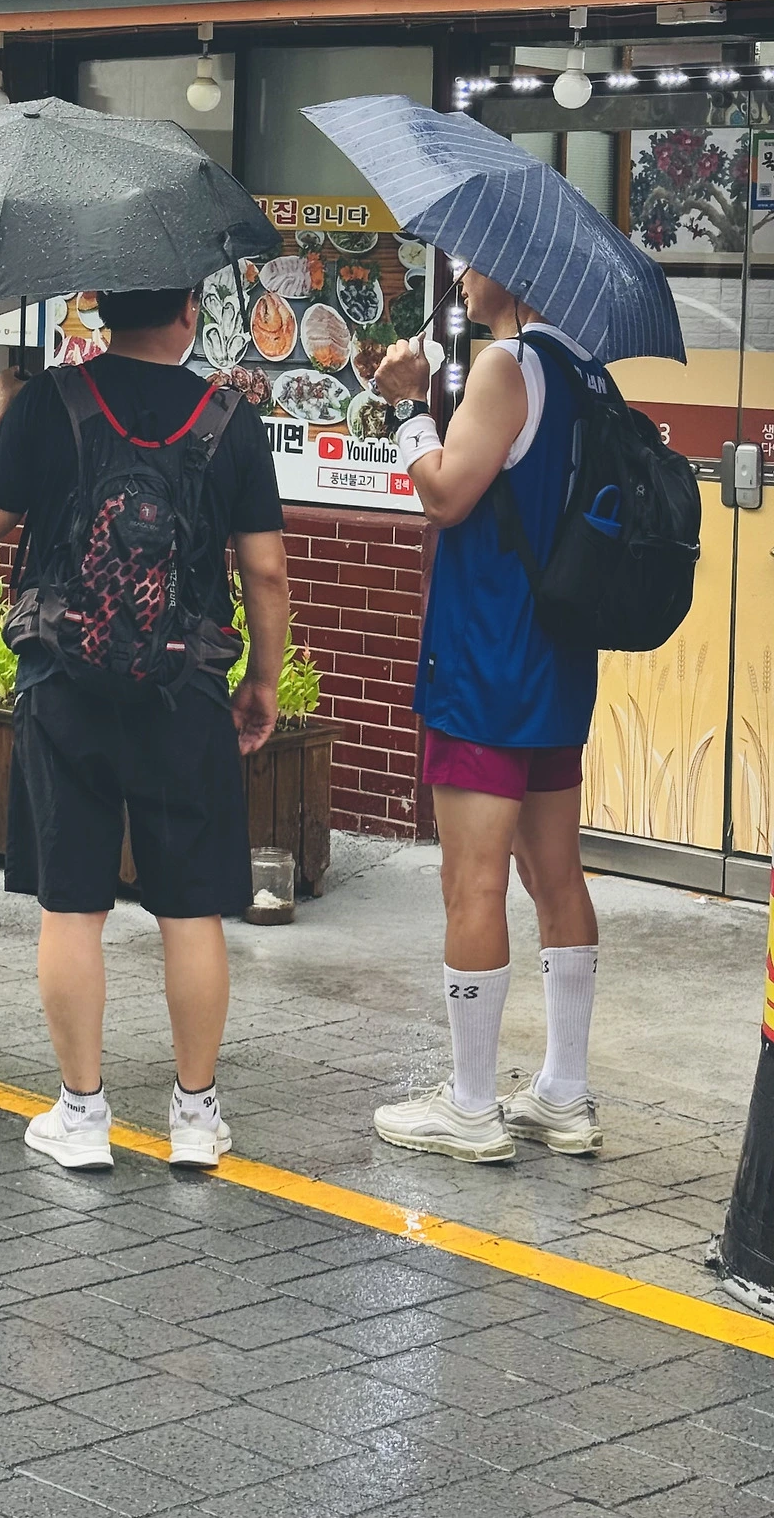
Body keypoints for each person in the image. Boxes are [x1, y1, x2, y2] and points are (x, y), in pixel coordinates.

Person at [0, 285, 290, 1170]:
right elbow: (265, 571)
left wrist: (0, 411)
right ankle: (195, 1117)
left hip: (63, 686)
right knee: (190, 907)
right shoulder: (230, 421)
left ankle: (82, 1115)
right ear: (188, 312)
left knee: (73, 904)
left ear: (103, 309)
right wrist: (262, 679)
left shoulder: (51, 400)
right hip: (186, 693)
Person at [370, 268, 605, 1163]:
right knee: (557, 874)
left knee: (473, 881)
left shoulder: (509, 365)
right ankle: (565, 1093)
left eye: (472, 260)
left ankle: (471, 1102)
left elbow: (446, 492)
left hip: (483, 656)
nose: (462, 273)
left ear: (513, 270)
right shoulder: (586, 372)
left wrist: (406, 408)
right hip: (555, 657)